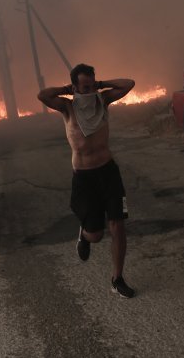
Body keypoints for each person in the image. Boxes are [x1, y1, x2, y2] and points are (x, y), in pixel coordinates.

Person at [37, 63, 136, 298]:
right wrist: (66, 89)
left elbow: (129, 84)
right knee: (96, 235)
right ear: (75, 87)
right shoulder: (67, 108)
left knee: (118, 225)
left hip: (108, 172)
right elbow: (42, 95)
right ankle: (84, 233)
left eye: (93, 85)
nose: (90, 91)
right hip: (84, 176)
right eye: (85, 87)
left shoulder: (102, 101)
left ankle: (117, 278)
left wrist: (102, 85)